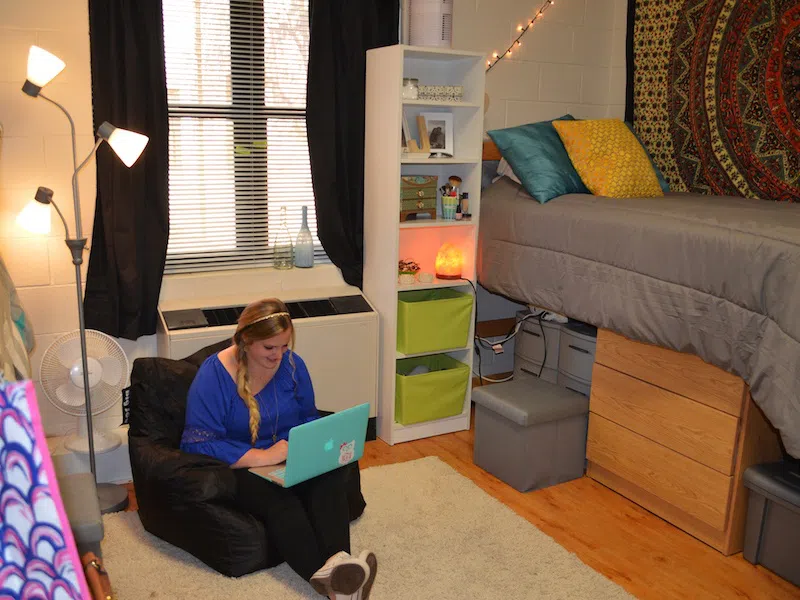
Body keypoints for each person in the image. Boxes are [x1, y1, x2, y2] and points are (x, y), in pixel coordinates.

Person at [180, 298, 377, 600]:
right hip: (242, 465)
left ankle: (341, 565)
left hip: (290, 453)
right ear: (246, 341)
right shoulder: (214, 376)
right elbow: (198, 441)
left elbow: (309, 415)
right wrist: (264, 456)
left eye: (284, 346)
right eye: (269, 348)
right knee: (281, 503)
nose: (279, 355)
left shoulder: (292, 366)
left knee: (330, 480)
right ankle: (336, 585)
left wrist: (317, 447)